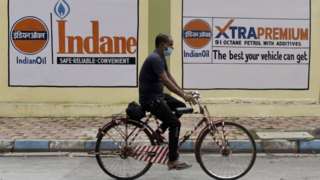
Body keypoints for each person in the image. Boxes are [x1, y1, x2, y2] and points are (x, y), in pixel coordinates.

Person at [139, 33, 195, 170]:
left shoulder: (161, 57)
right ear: (162, 44)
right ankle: (172, 160)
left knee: (181, 106)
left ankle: (159, 131)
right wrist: (182, 94)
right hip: (151, 99)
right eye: (170, 45)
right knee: (175, 123)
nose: (172, 47)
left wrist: (183, 93)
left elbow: (169, 77)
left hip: (158, 96)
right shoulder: (154, 59)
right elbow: (165, 80)